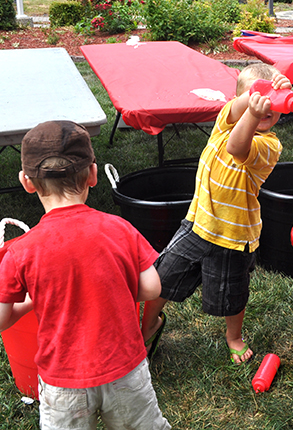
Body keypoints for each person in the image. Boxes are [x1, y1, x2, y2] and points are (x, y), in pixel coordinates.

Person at [0, 120, 170, 430]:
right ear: (92, 175)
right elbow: (152, 287)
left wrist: (29, 303)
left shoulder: (20, 251)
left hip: (63, 383)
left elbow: (1, 318)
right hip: (126, 372)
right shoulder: (120, 228)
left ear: (26, 182)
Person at [141, 63, 292, 365]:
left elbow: (238, 148)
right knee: (161, 278)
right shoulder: (226, 121)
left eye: (271, 101)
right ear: (239, 100)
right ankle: (146, 328)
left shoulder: (269, 145)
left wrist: (258, 105)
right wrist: (252, 101)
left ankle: (233, 337)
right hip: (197, 223)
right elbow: (237, 115)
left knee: (231, 296)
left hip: (233, 236)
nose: (263, 106)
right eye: (254, 98)